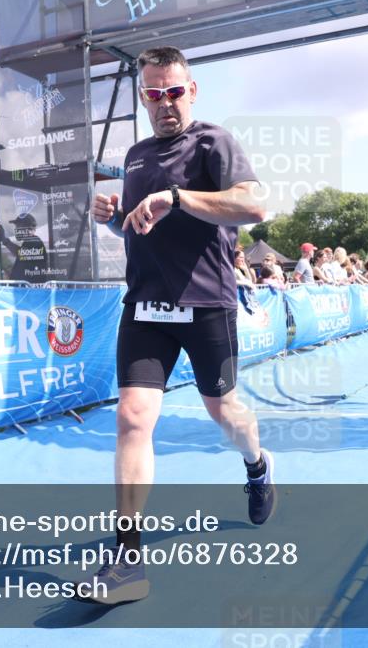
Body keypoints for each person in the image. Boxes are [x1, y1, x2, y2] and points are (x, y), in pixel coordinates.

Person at [86, 45, 273, 605]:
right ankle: (126, 559)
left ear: (192, 91)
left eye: (174, 91)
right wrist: (116, 218)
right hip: (146, 305)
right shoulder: (138, 154)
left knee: (226, 412)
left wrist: (174, 197)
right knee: (132, 415)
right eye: (153, 93)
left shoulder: (214, 142)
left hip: (206, 303)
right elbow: (141, 229)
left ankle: (257, 465)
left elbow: (255, 206)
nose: (165, 102)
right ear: (144, 97)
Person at [0, 213, 49, 283]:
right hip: (24, 289)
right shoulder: (27, 243)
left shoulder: (35, 241)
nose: (16, 229)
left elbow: (21, 253)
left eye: (18, 226)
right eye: (16, 226)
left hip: (30, 290)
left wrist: (5, 241)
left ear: (27, 228)